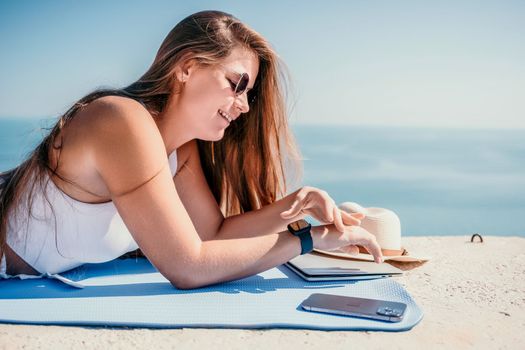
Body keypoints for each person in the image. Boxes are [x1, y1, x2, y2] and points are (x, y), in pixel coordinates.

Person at [0, 10, 382, 289]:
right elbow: (188, 266)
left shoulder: (179, 149)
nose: (245, 106)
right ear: (186, 67)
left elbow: (211, 235)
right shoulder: (120, 120)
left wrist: (295, 206)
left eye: (248, 93)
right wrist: (308, 240)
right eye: (237, 84)